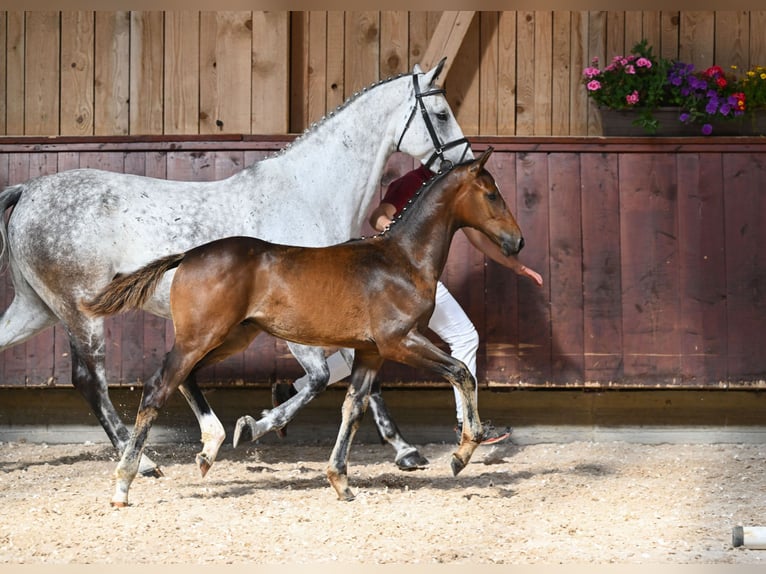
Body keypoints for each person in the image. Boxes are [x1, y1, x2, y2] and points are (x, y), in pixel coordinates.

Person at [273, 160, 544, 445]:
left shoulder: (453, 185)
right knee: (464, 337)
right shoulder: (415, 181)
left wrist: (515, 266)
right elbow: (379, 217)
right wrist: (402, 251)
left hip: (409, 276)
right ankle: (466, 422)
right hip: (404, 279)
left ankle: (292, 392)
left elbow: (478, 236)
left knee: (367, 350)